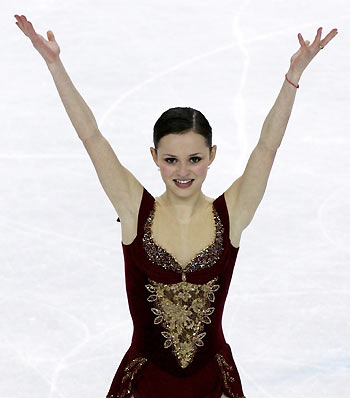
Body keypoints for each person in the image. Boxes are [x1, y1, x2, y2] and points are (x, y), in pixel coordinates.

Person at [14, 14, 338, 398]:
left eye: (195, 159)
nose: (183, 171)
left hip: (213, 384)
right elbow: (91, 136)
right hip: (144, 384)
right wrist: (55, 64)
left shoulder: (232, 212)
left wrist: (292, 77)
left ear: (212, 155)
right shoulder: (134, 207)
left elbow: (268, 146)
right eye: (171, 160)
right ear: (154, 156)